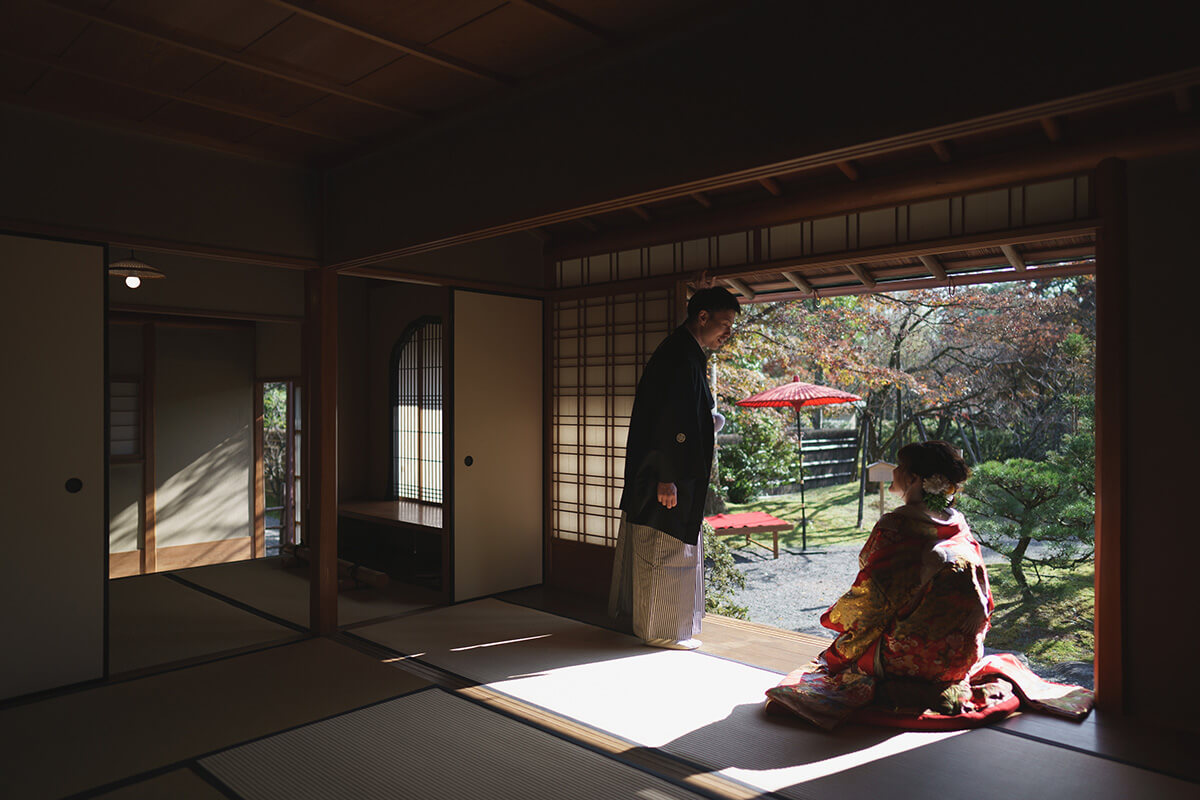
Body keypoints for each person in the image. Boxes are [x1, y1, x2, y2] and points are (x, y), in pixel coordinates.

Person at [765, 440, 1094, 730]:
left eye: (900, 467)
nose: (894, 471)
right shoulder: (956, 522)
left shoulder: (898, 525)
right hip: (962, 652)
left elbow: (873, 599)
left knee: (848, 651)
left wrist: (841, 639)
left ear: (912, 479)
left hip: (913, 659)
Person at [608, 287, 740, 650]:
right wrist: (666, 476)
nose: (728, 332)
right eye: (724, 323)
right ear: (702, 317)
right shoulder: (680, 354)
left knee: (670, 548)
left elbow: (682, 414)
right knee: (664, 549)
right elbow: (668, 421)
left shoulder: (686, 352)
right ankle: (661, 631)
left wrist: (707, 421)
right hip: (665, 476)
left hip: (671, 473)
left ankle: (665, 627)